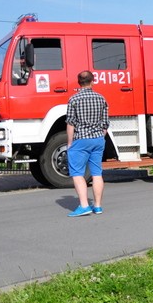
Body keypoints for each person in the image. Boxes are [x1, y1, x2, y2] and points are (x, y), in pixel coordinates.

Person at [65, 71, 109, 217]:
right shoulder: (101, 98)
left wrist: (70, 142)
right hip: (98, 140)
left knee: (77, 173)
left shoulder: (74, 99)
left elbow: (71, 123)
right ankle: (97, 206)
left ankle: (84, 206)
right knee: (97, 173)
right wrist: (100, 137)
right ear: (93, 81)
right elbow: (105, 123)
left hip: (81, 140)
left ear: (78, 82)